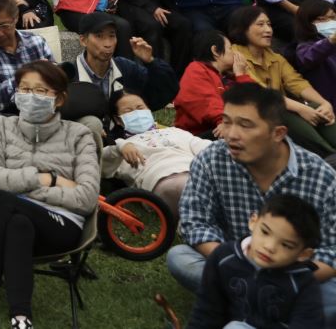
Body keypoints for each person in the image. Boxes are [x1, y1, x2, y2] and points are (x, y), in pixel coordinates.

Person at [0, 60, 99, 329]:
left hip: (58, 225)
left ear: (59, 99)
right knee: (17, 222)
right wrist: (48, 179)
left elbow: (86, 198)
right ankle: (21, 319)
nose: (31, 97)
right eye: (24, 89)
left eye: (41, 92)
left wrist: (22, 190)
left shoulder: (79, 135)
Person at [168, 82, 336, 310]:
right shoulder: (211, 160)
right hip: (235, 262)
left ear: (278, 133)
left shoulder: (319, 176)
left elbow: (332, 250)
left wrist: (285, 279)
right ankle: (264, 305)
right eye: (226, 122)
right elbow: (196, 223)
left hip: (293, 272)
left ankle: (241, 302)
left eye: (245, 125)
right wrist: (238, 264)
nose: (231, 135)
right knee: (180, 258)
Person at [188, 192, 324, 329]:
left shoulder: (303, 282)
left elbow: (308, 323)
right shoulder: (223, 257)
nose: (269, 247)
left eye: (286, 245)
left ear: (303, 254)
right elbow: (207, 309)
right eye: (265, 232)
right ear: (253, 221)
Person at [225, 5, 336, 155]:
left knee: (317, 106)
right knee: (282, 112)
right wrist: (301, 108)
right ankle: (329, 156)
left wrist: (324, 103)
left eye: (269, 24)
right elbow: (260, 92)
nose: (268, 30)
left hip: (281, 107)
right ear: (243, 28)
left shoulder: (275, 57)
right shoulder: (236, 55)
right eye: (260, 24)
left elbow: (296, 82)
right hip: (255, 114)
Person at [61, 12, 178, 139]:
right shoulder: (68, 74)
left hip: (131, 143)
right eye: (99, 36)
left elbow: (163, 94)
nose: (108, 44)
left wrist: (151, 62)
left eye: (112, 36)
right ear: (83, 40)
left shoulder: (125, 68)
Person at [102, 88, 207, 215]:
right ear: (118, 120)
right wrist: (120, 145)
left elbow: (206, 148)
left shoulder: (175, 132)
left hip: (195, 173)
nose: (137, 113)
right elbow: (98, 161)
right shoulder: (121, 150)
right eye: (128, 111)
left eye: (140, 108)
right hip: (164, 182)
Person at [175, 30, 257, 137]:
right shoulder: (196, 69)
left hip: (226, 125)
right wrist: (224, 121)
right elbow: (207, 102)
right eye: (230, 48)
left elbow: (257, 100)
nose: (234, 53)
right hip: (195, 136)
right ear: (215, 51)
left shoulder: (227, 76)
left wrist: (242, 76)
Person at [292, 0, 336, 105]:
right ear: (307, 23)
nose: (329, 22)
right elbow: (310, 57)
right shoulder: (304, 47)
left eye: (332, 18)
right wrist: (331, 41)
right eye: (321, 19)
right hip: (328, 105)